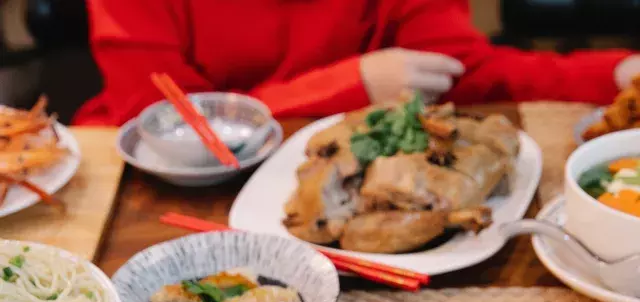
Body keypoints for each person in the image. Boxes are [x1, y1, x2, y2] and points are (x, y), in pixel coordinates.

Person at [73, 0, 640, 126]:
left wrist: (609, 75)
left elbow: (457, 69)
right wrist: (350, 83)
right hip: (155, 182)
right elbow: (161, 119)